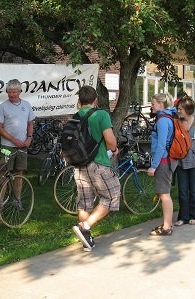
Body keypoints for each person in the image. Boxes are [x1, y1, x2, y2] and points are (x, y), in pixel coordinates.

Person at [71, 85, 120, 252]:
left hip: (79, 165)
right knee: (112, 196)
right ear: (95, 99)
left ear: (80, 100)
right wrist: (114, 150)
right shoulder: (101, 115)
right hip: (97, 164)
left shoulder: (75, 116)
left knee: (85, 202)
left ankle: (86, 239)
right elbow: (110, 140)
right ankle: (85, 226)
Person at [148, 93, 178, 236]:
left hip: (163, 161)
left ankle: (167, 227)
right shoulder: (168, 117)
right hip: (167, 160)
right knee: (164, 194)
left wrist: (154, 166)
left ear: (161, 104)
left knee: (164, 195)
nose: (151, 106)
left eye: (153, 103)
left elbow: (161, 146)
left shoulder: (162, 121)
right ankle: (167, 224)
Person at [175, 96, 195, 226]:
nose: (178, 110)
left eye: (180, 108)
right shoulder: (178, 123)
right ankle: (183, 217)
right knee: (182, 192)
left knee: (193, 191)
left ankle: (193, 216)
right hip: (181, 162)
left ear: (187, 110)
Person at [0, 79, 36, 178]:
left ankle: (17, 194)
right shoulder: (3, 106)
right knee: (4, 173)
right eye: (9, 92)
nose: (11, 95)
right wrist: (13, 140)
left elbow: (30, 123)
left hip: (22, 145)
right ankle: (2, 194)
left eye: (14, 92)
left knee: (19, 173)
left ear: (19, 91)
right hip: (7, 146)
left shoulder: (26, 105)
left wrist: (29, 138)